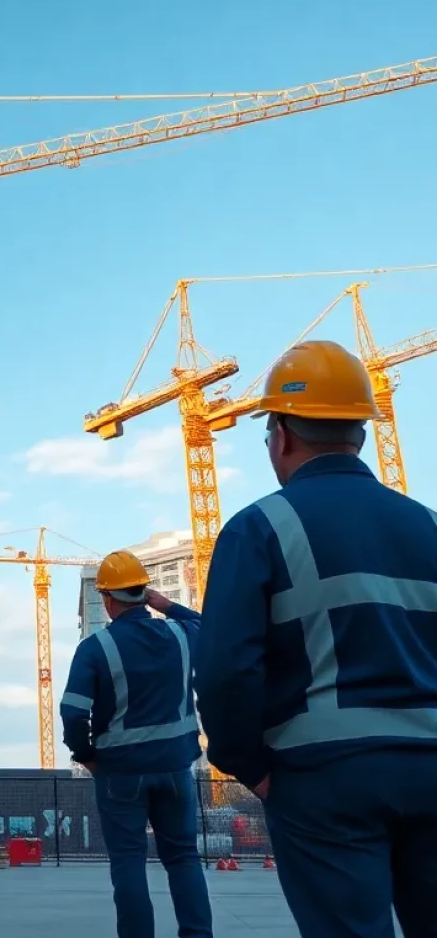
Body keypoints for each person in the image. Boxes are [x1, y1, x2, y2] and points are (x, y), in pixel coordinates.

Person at [195, 339, 437, 937]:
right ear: (359, 432)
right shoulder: (428, 524)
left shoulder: (259, 527)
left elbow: (226, 669)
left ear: (279, 433)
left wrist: (248, 765)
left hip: (325, 776)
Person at [61, 551, 212, 938]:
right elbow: (212, 628)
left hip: (120, 772)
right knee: (182, 858)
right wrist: (170, 606)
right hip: (177, 768)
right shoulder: (180, 635)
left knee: (128, 861)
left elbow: (74, 712)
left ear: (108, 600)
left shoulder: (96, 648)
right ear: (144, 593)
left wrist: (86, 755)